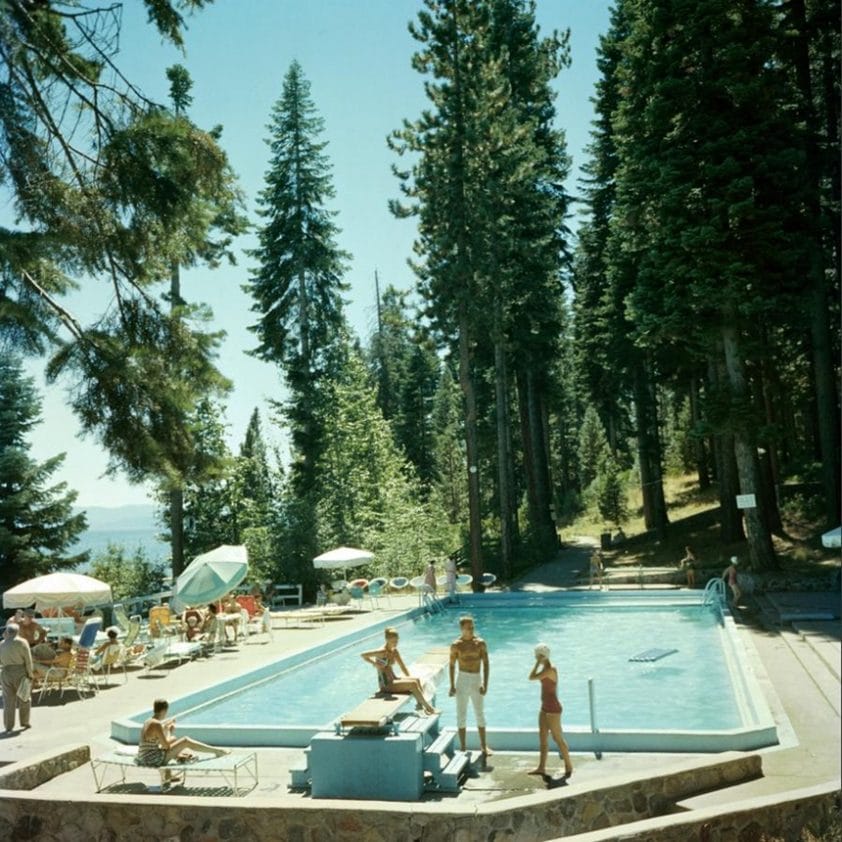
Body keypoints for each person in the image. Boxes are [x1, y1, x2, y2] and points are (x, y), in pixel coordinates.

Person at [138, 698, 229, 784]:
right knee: (185, 741)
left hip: (144, 756)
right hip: (151, 759)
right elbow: (166, 746)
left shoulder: (148, 721)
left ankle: (168, 774)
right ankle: (217, 751)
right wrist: (170, 732)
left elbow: (157, 742)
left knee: (175, 746)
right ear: (164, 710)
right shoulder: (157, 724)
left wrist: (166, 728)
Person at [361, 628, 439, 715]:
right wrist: (374, 663)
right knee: (413, 684)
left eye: (397, 641)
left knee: (416, 680)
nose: (396, 643)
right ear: (387, 640)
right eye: (393, 641)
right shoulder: (382, 651)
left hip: (394, 680)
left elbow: (402, 667)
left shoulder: (394, 651)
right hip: (386, 685)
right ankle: (429, 708)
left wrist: (409, 678)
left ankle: (420, 706)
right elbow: (363, 655)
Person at [527, 644, 573, 779]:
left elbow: (531, 677)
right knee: (542, 738)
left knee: (557, 738)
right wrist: (538, 663)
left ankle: (569, 765)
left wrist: (536, 664)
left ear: (542, 656)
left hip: (553, 708)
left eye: (537, 656)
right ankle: (541, 767)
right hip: (544, 707)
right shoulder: (545, 669)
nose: (536, 658)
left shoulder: (551, 670)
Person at [449, 615, 491, 755]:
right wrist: (452, 686)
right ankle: (463, 747)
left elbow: (486, 664)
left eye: (472, 627)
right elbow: (451, 666)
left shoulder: (480, 643)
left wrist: (485, 683)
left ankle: (484, 746)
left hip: (476, 679)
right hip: (462, 679)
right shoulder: (456, 645)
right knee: (461, 714)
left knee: (480, 713)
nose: (471, 630)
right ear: (462, 629)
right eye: (468, 628)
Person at [0, 622, 34, 733]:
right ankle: (24, 722)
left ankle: (8, 726)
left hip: (5, 672)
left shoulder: (1, 644)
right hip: (20, 671)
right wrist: (30, 674)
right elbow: (28, 660)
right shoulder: (22, 642)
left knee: (8, 700)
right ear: (17, 631)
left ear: (7, 632)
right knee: (24, 698)